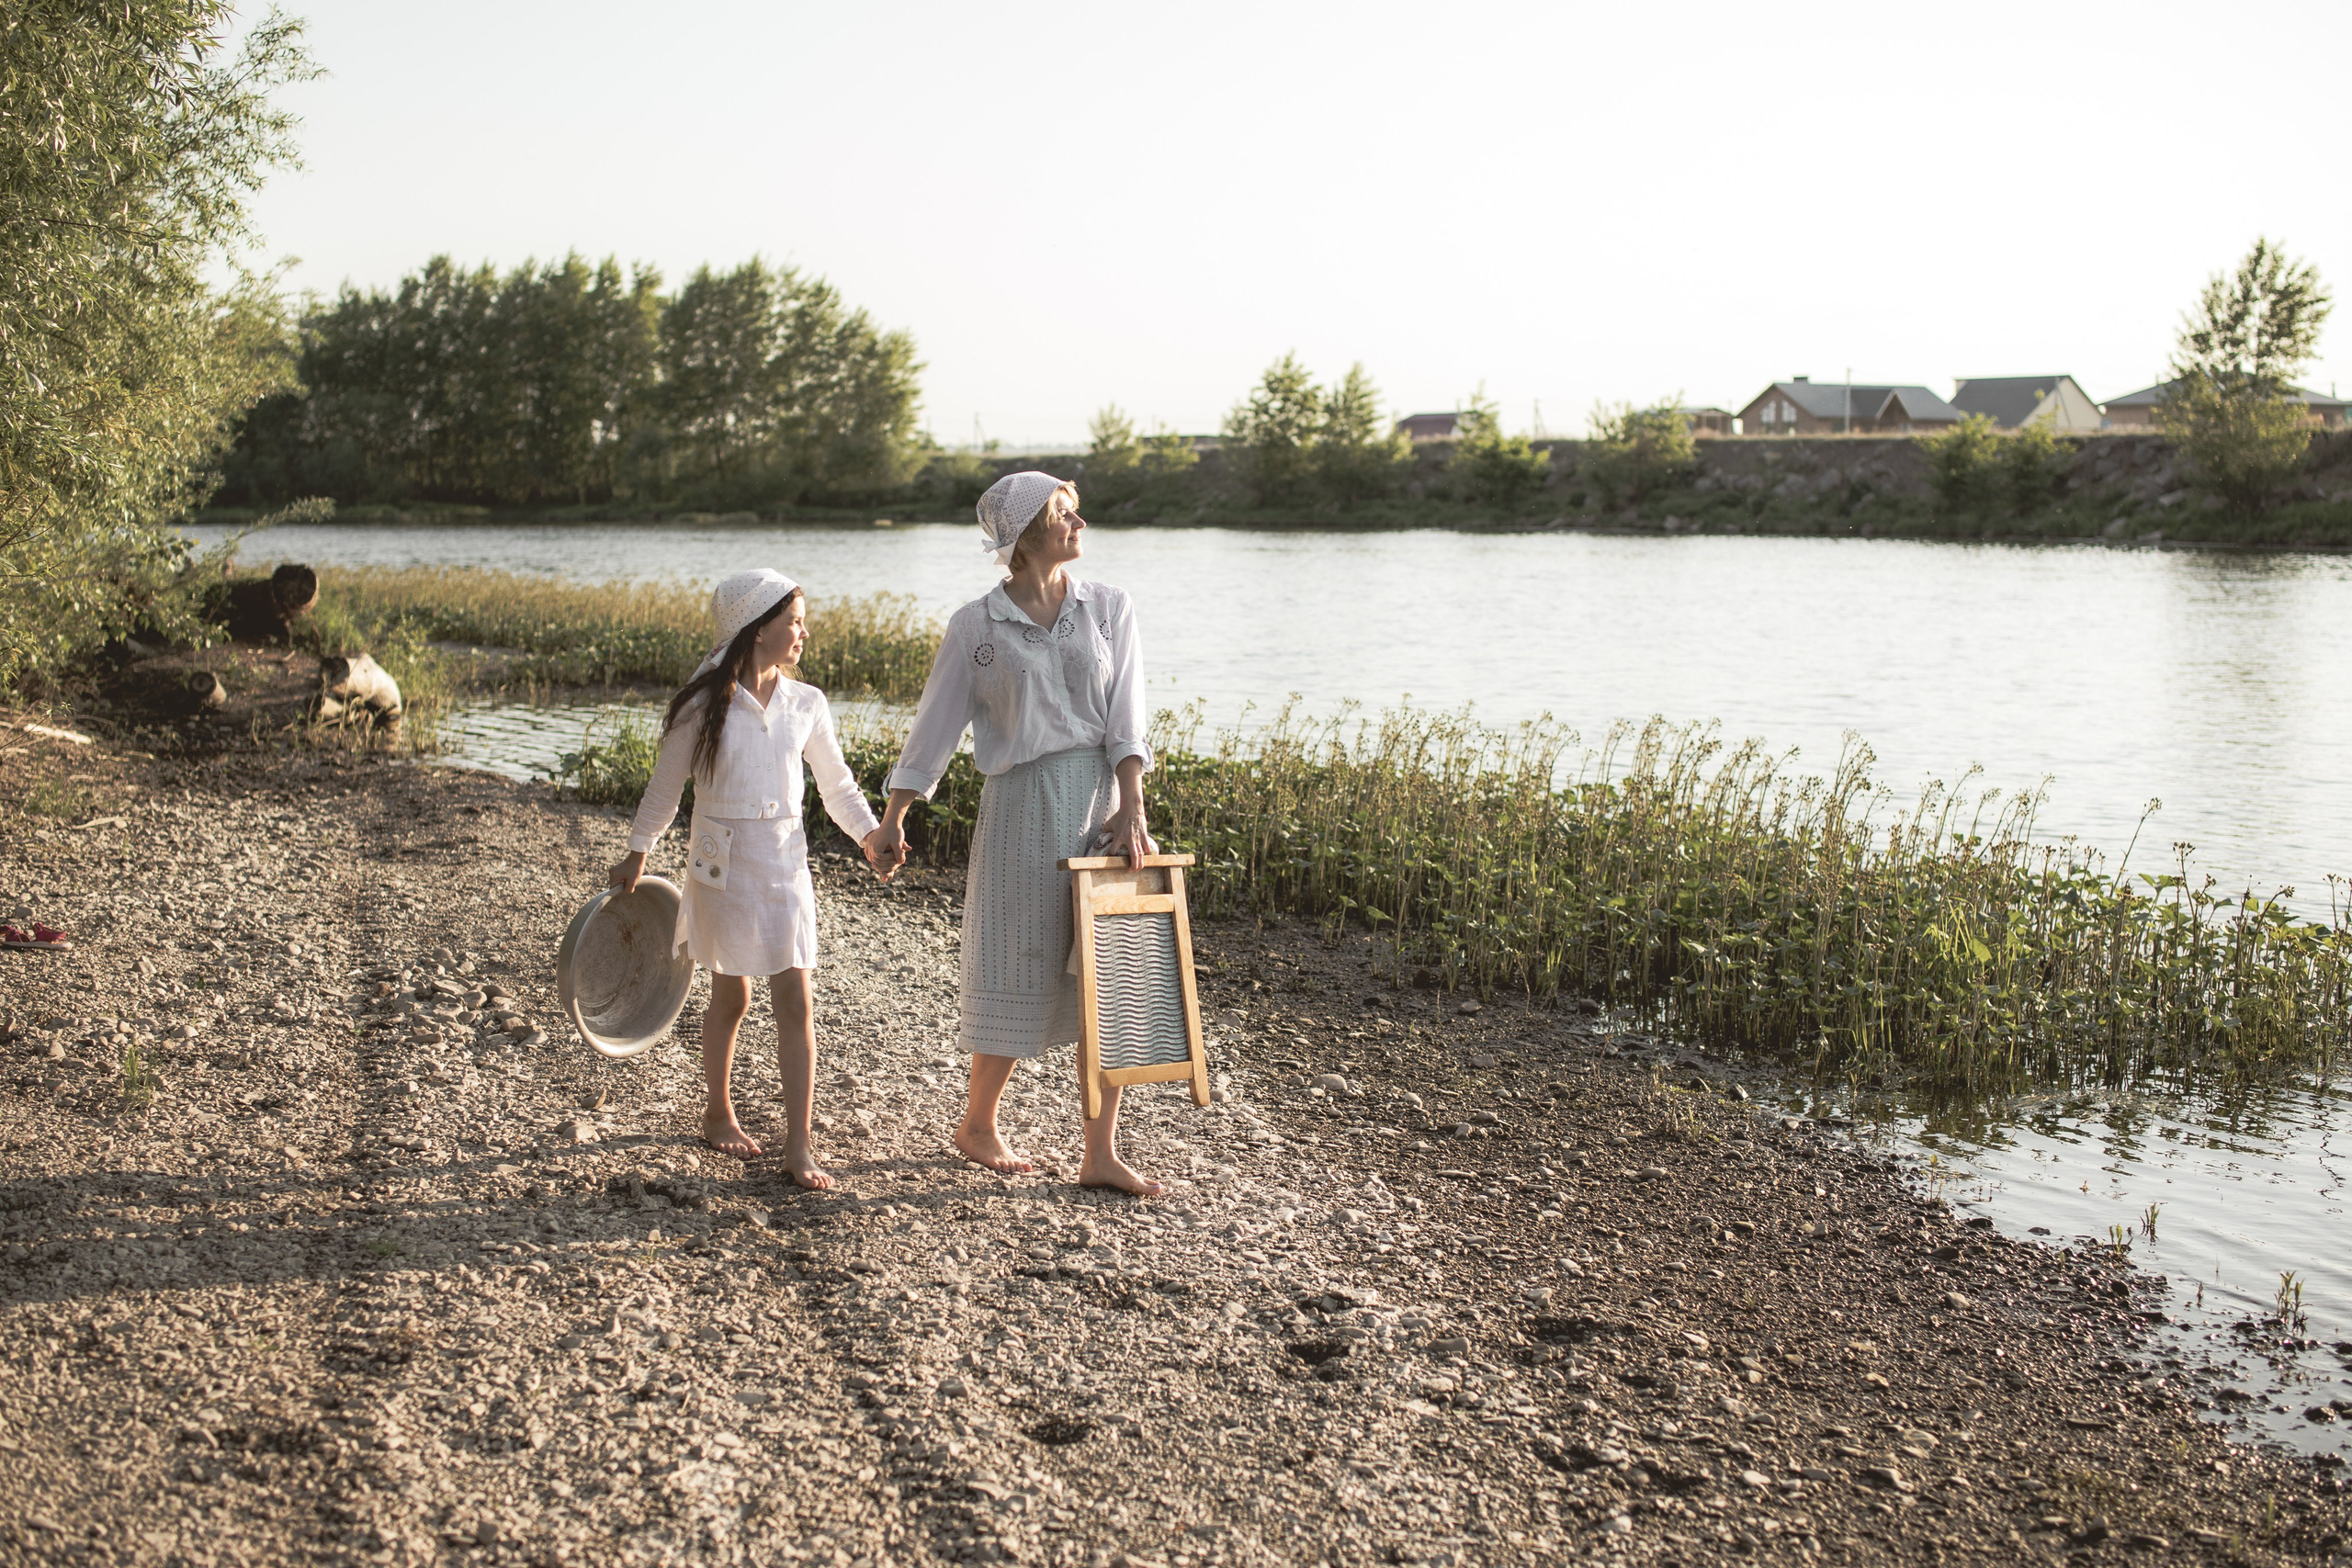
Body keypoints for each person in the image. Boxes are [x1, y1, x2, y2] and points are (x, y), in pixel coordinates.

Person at [871, 472, 1164, 1197]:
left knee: (1109, 973)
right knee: (1017, 963)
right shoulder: (976, 627)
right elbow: (935, 727)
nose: (1080, 524)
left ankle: (1101, 1151)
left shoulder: (1110, 607)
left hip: (1101, 804)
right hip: (1020, 808)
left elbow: (1128, 716)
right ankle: (978, 1123)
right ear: (1028, 533)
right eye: (1065, 514)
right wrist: (894, 817)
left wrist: (1133, 804)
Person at [609, 570, 890, 1186]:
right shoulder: (701, 706)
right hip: (722, 862)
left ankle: (800, 1145)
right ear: (757, 629)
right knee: (731, 997)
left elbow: (838, 786)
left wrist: (871, 836)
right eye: (794, 622)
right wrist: (638, 851)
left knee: (796, 998)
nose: (803, 633)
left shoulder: (806, 703)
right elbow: (666, 788)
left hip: (784, 861)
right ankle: (717, 1111)